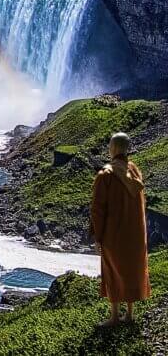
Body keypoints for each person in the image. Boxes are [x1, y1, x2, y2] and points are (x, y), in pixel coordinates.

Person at [90, 132, 151, 326]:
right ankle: (130, 314)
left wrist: (97, 237)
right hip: (135, 233)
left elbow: (98, 210)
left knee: (113, 271)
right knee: (132, 270)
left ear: (114, 148)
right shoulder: (134, 170)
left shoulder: (105, 175)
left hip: (113, 234)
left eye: (110, 145)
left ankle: (115, 316)